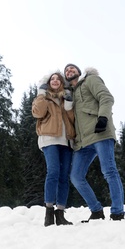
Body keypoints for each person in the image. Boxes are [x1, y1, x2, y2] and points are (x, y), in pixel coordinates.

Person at [63, 63, 125, 222]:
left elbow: (106, 97)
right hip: (82, 142)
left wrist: (103, 118)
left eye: (72, 68)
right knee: (76, 177)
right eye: (67, 70)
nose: (69, 71)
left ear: (78, 72)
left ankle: (117, 212)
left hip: (100, 133)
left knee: (109, 171)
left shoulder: (90, 80)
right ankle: (96, 210)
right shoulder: (70, 93)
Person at [32, 71, 76, 226]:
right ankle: (48, 213)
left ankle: (60, 214)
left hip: (67, 141)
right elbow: (38, 113)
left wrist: (69, 104)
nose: (56, 80)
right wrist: (41, 94)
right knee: (53, 172)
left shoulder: (66, 97)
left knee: (64, 177)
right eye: (52, 79)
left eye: (58, 79)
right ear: (48, 83)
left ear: (62, 83)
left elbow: (72, 120)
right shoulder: (43, 97)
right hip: (49, 138)